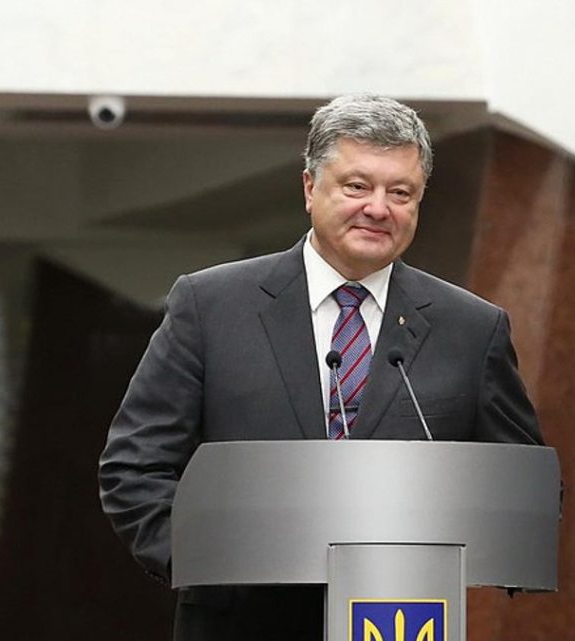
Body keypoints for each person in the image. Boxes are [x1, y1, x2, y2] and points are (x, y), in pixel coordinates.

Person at [99, 93, 543, 641]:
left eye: (400, 193)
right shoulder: (210, 306)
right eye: (357, 186)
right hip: (241, 623)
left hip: (399, 620)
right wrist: (203, 558)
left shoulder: (472, 328)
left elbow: (523, 487)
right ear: (310, 188)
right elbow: (133, 466)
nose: (378, 208)